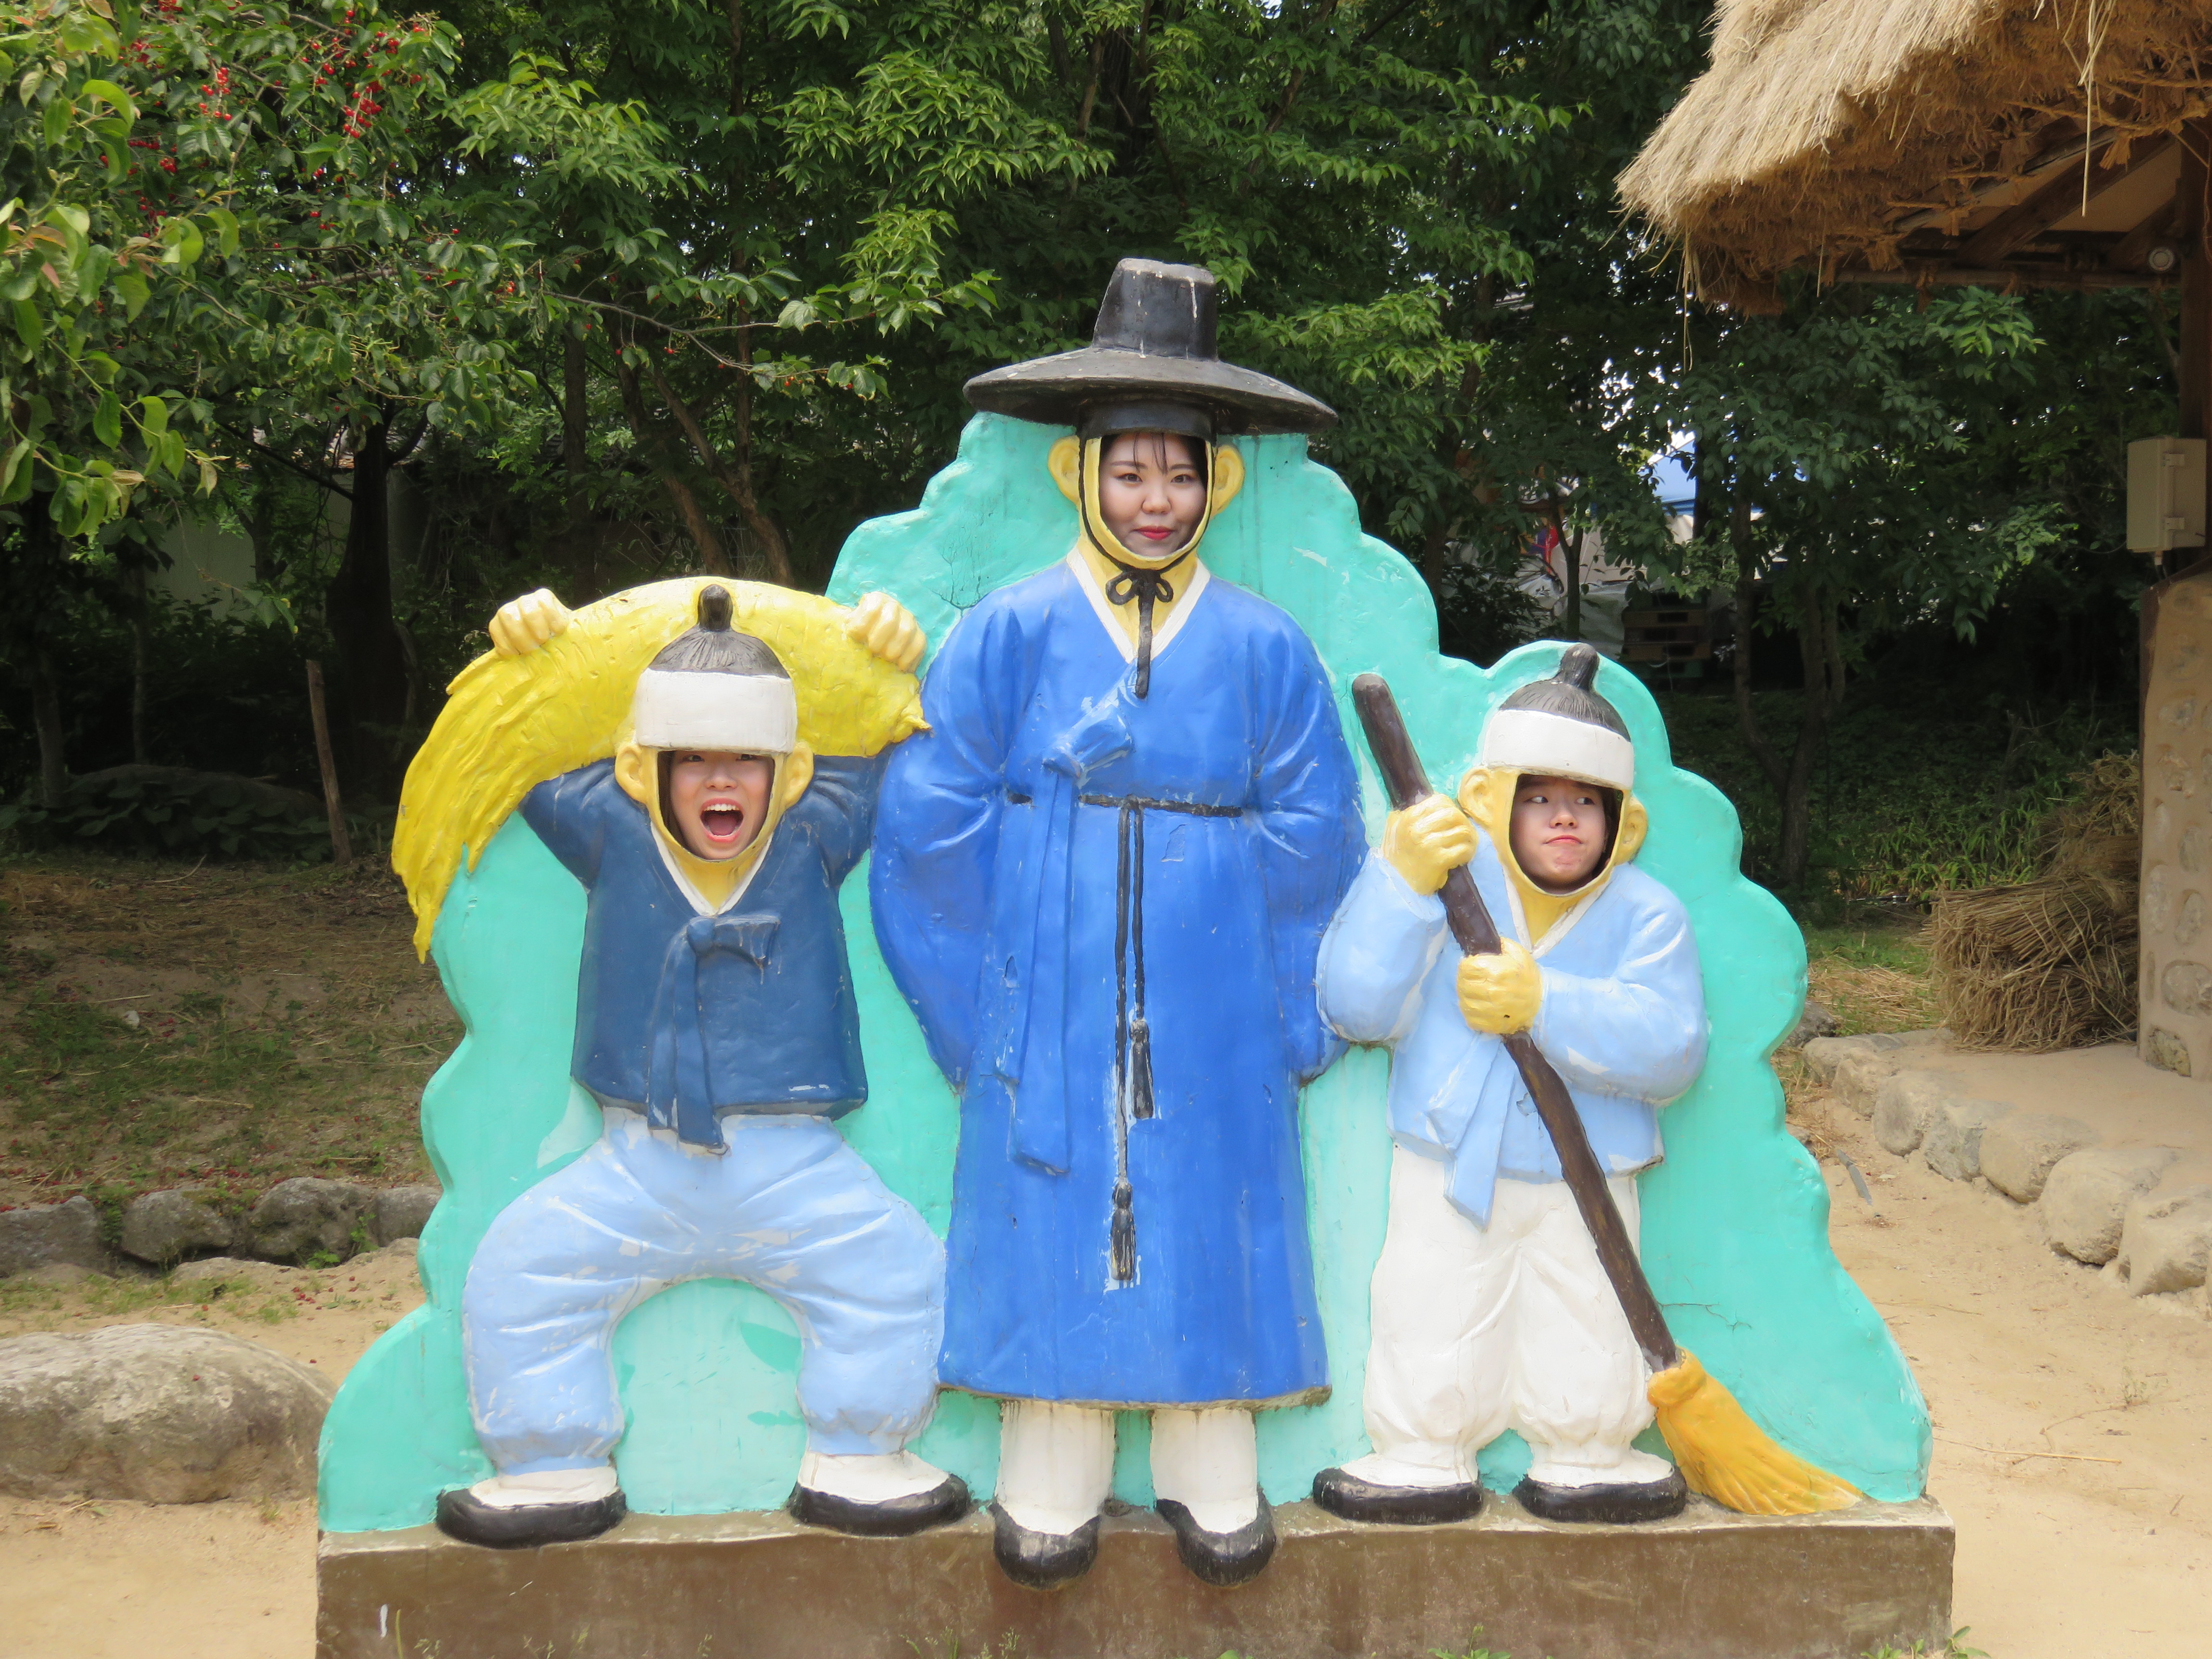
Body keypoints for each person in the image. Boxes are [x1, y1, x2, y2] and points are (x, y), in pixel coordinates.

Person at [869, 259, 1366, 1588]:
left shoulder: (1266, 646)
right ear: (1075, 472)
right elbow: (930, 814)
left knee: (1213, 1199)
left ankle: (1213, 1461)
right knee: (1051, 1200)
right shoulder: (1008, 630)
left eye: (1182, 475)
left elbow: (1318, 823)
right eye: (1131, 471)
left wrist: (1278, 996)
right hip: (1049, 972)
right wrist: (986, 1001)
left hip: (1217, 984)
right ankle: (1051, 1464)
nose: (1157, 500)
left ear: (1222, 485)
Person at [434, 583, 971, 1550]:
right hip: (639, 1161)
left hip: (793, 1162)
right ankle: (551, 1460)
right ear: (642, 771)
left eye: (745, 761)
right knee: (524, 1276)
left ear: (790, 772)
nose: (721, 781)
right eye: (693, 760)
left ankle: (860, 1451)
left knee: (893, 1276)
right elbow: (533, 747)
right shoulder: (610, 827)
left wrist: (884, 659)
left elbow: (900, 739)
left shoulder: (815, 829)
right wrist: (538, 653)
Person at [1311, 645, 1709, 1526]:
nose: (1564, 818)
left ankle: (1589, 1450)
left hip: (1590, 1171)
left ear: (1623, 823)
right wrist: (1399, 882)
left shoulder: (1646, 916)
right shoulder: (1443, 887)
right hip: (1449, 1161)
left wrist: (1548, 1002)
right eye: (1540, 798)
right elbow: (1355, 1005)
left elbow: (1673, 1046)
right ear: (1493, 801)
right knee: (1435, 1304)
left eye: (1586, 802)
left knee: (1590, 1314)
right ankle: (1423, 1449)